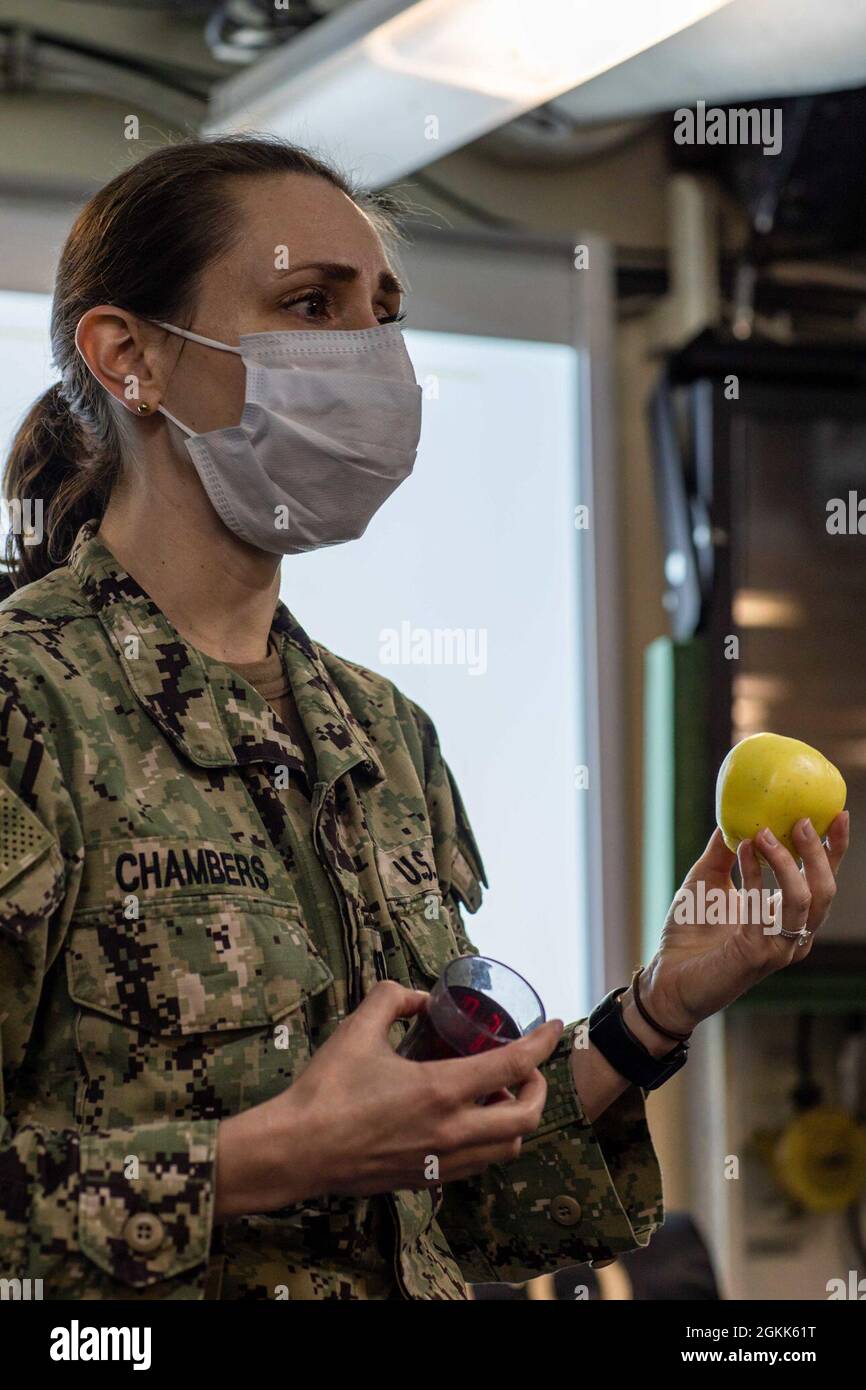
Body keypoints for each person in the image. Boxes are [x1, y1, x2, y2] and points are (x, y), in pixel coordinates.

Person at [0, 136, 848, 1301]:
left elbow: (465, 1196)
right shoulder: (24, 704)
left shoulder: (381, 731)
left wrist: (658, 1006)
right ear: (129, 356)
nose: (368, 356)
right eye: (311, 303)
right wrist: (259, 1161)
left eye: (381, 316)